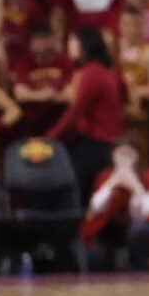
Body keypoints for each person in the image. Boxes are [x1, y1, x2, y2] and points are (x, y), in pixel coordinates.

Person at [48, 26, 126, 201]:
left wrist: (50, 138)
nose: (69, 45)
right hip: (107, 142)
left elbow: (75, 112)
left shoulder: (92, 73)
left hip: (96, 144)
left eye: (72, 40)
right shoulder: (108, 72)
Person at [82, 141, 149, 271]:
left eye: (129, 154)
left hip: (140, 228)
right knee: (94, 253)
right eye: (120, 154)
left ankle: (142, 269)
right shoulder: (105, 176)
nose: (124, 159)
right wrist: (111, 183)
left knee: (138, 231)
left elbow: (144, 214)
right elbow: (96, 209)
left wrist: (135, 185)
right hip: (111, 228)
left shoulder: (148, 176)